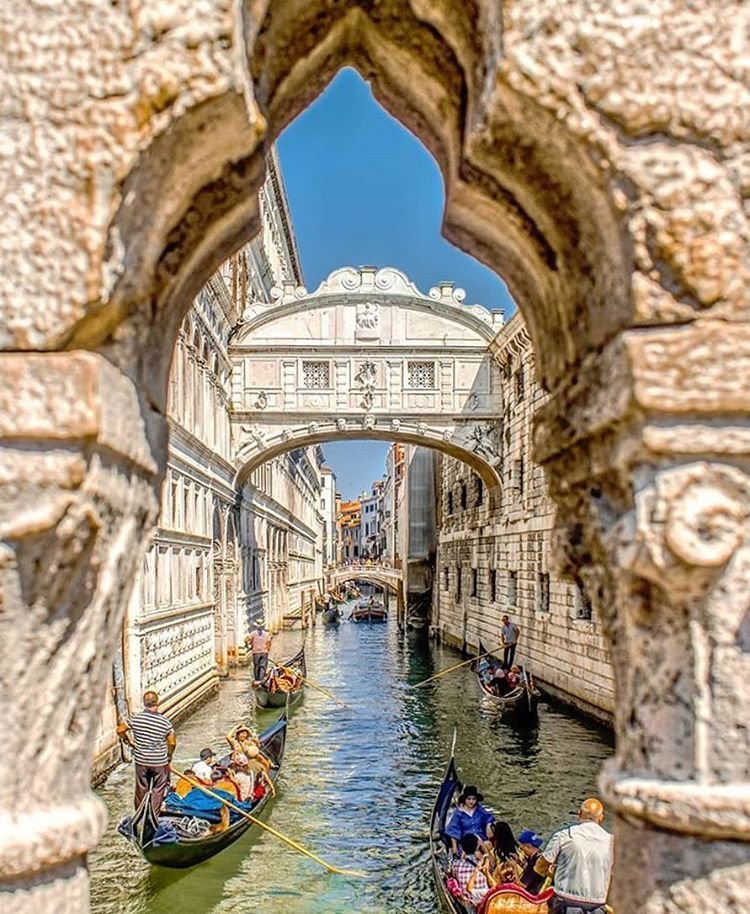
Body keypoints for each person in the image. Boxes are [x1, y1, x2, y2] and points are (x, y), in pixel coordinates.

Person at [535, 798, 613, 913]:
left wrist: (553, 874)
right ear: (601, 818)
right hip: (597, 905)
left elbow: (540, 866)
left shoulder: (564, 836)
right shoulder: (612, 842)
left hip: (565, 902)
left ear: (579, 814)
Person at [117, 690, 176, 814]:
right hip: (159, 762)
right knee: (158, 789)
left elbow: (120, 730)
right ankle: (154, 814)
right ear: (157, 702)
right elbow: (172, 742)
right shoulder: (165, 722)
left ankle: (140, 813)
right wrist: (169, 755)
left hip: (142, 761)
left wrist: (128, 741)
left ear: (144, 703)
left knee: (141, 788)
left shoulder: (136, 718)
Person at [445, 786, 495, 854]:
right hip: (467, 844)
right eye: (469, 799)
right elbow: (454, 830)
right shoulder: (458, 814)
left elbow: (489, 818)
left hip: (482, 839)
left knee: (488, 845)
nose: (471, 802)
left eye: (473, 799)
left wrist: (488, 825)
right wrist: (454, 847)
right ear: (465, 799)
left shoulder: (480, 810)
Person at [450, 833, 493, 907]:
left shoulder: (456, 865)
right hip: (484, 901)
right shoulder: (483, 866)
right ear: (477, 846)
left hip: (467, 901)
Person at [516, 829, 547, 895]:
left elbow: (522, 886)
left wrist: (514, 868)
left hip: (533, 895)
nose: (522, 851)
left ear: (528, 847)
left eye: (521, 848)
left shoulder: (535, 863)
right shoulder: (542, 857)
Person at [245, 618, 273, 684]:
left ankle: (257, 680)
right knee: (263, 666)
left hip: (256, 652)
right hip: (264, 652)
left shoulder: (253, 633)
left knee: (256, 666)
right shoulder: (266, 634)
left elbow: (246, 640)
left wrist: (248, 646)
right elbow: (269, 643)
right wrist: (268, 650)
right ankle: (261, 680)